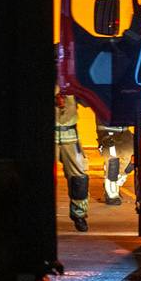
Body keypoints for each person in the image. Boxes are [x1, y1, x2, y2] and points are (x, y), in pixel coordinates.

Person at [55, 91, 90, 232]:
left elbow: (88, 101)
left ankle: (79, 215)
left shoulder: (72, 80)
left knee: (79, 178)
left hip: (70, 136)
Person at [96, 121, 134, 205]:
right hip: (107, 130)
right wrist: (103, 136)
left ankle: (117, 179)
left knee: (133, 160)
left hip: (124, 131)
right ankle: (111, 193)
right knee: (112, 160)